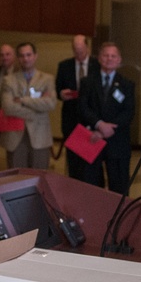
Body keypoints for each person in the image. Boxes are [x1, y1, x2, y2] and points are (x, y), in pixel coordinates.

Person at [79, 42, 134, 194]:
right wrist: (98, 124)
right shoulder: (87, 82)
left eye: (113, 56)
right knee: (91, 187)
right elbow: (83, 108)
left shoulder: (127, 85)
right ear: (99, 58)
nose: (109, 58)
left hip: (117, 141)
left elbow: (128, 113)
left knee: (119, 188)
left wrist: (105, 130)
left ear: (119, 60)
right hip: (92, 138)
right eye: (106, 55)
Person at [0, 42, 57, 169]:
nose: (25, 58)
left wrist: (23, 100)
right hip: (15, 137)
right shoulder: (9, 80)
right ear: (17, 58)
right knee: (16, 180)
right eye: (22, 55)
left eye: (29, 55)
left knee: (39, 178)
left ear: (35, 56)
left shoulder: (47, 79)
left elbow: (51, 103)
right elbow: (8, 107)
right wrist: (36, 111)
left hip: (40, 137)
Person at [56, 34, 99, 179]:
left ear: (87, 47)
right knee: (73, 162)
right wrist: (62, 94)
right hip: (71, 119)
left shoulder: (97, 65)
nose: (78, 53)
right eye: (75, 50)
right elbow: (58, 90)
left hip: (92, 120)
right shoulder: (64, 65)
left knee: (91, 164)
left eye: (81, 50)